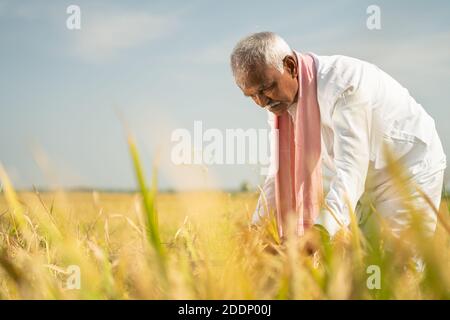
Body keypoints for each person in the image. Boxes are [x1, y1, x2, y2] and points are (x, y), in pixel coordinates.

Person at [230, 32, 446, 239]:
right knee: (359, 265)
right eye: (252, 96)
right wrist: (255, 230)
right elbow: (278, 173)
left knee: (399, 264)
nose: (261, 102)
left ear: (290, 66)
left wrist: (320, 232)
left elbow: (352, 168)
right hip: (364, 182)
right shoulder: (279, 107)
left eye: (266, 88)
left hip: (409, 169)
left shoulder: (343, 85)